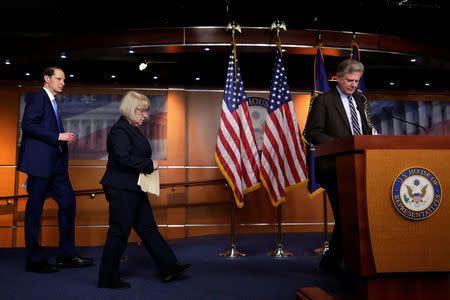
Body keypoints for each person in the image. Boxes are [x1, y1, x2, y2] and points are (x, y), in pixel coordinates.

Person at [98, 91, 190, 289]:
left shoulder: (132, 129)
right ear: (131, 109)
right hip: (122, 189)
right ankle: (107, 278)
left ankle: (169, 267)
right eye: (142, 111)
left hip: (135, 188)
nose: (146, 115)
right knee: (119, 233)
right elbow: (123, 159)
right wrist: (150, 164)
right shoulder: (120, 131)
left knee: (148, 229)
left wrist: (147, 164)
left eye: (146, 111)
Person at [17, 66, 94, 273]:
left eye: (64, 79)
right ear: (47, 78)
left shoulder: (52, 102)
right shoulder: (37, 98)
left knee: (68, 203)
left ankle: (66, 255)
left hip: (57, 167)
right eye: (59, 78)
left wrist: (60, 138)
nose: (63, 82)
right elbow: (28, 125)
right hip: (40, 166)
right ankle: (34, 259)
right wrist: (58, 136)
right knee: (34, 212)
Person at [304, 59, 372, 272]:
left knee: (354, 216)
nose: (354, 85)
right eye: (350, 81)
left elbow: (365, 130)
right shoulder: (324, 101)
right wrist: (342, 144)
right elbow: (312, 133)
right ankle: (332, 262)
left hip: (360, 167)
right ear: (338, 78)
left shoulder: (360, 101)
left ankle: (337, 261)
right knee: (346, 216)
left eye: (357, 81)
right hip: (334, 168)